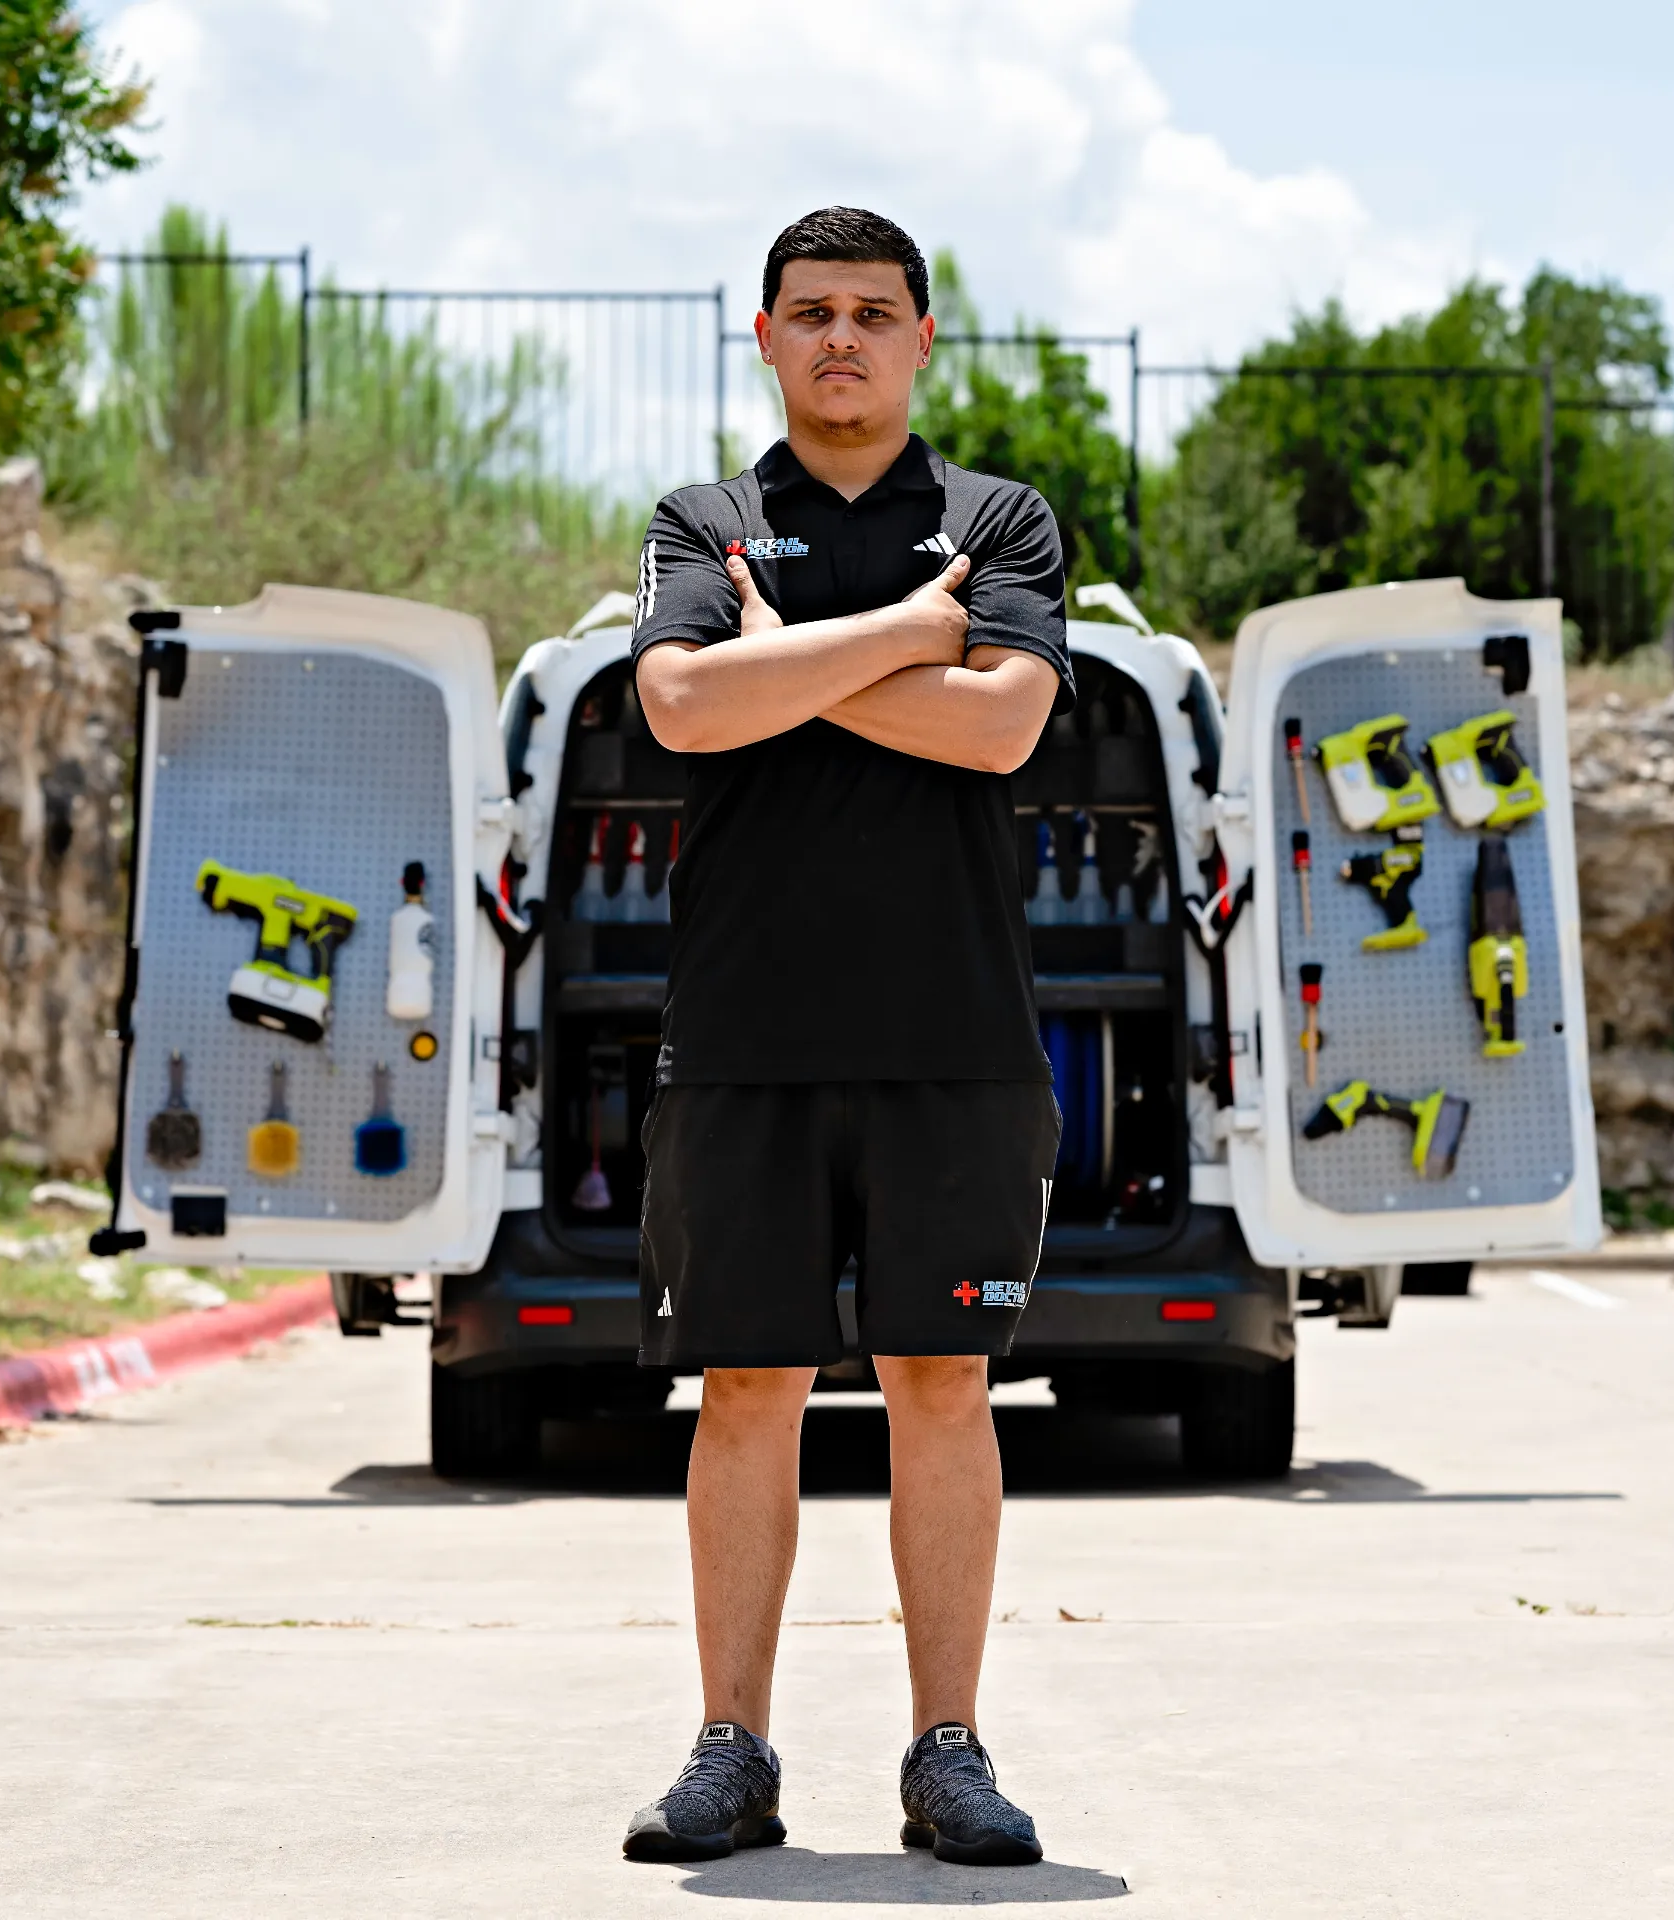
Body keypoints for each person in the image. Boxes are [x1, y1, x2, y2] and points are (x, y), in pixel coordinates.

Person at [621, 206, 1072, 1870]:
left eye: (874, 313)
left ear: (922, 340)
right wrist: (906, 636)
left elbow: (1004, 729)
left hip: (956, 1033)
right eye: (811, 312)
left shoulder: (1001, 520)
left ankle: (948, 1752)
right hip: (744, 1032)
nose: (842, 339)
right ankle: (730, 1752)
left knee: (939, 1380)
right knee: (748, 1383)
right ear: (765, 337)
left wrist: (785, 664)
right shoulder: (705, 519)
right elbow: (682, 707)